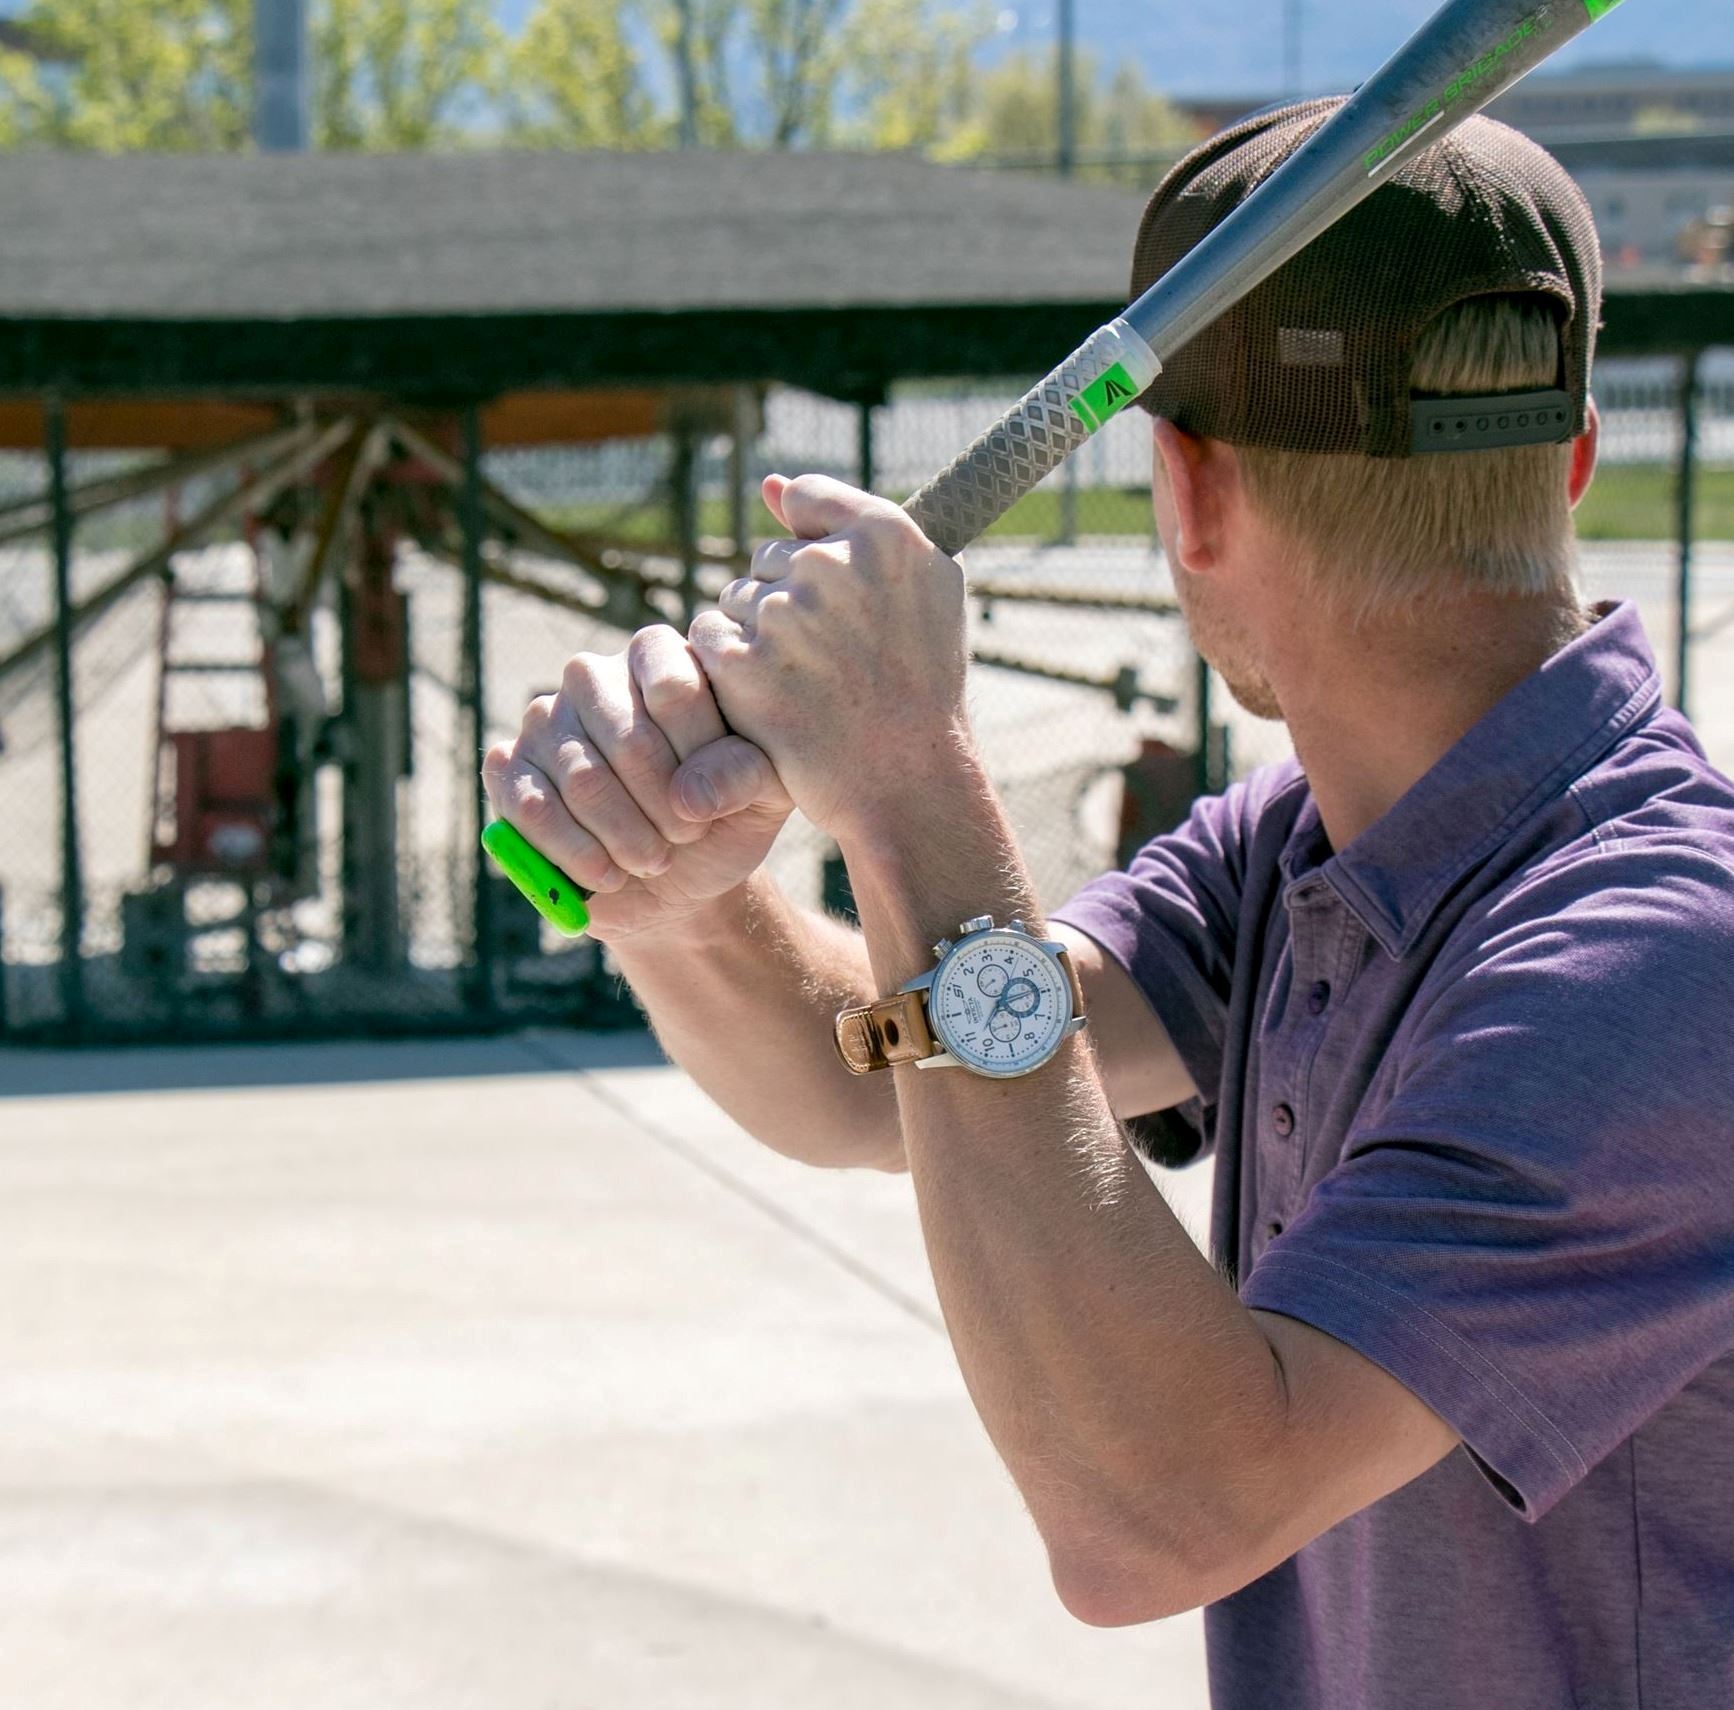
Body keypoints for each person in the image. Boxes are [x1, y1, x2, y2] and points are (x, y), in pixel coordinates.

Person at [483, 103, 1734, 1710]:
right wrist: (680, 906)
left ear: (1188, 492)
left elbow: (1155, 1512)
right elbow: (878, 1082)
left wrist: (910, 790)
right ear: (1565, 460)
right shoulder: (1303, 846)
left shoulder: (1647, 956)